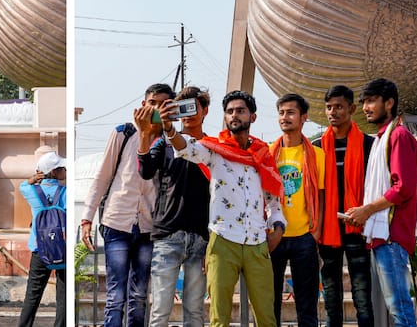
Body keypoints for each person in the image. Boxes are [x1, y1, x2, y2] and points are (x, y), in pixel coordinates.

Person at [140, 90, 284, 327]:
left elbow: (273, 199)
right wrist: (169, 128)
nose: (234, 115)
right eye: (229, 111)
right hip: (223, 242)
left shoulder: (263, 155)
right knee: (218, 318)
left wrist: (277, 228)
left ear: (253, 117)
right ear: (224, 118)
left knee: (266, 318)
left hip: (257, 242)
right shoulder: (215, 150)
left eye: (240, 110)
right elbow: (186, 147)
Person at [80, 83, 174, 327]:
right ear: (143, 105)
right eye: (153, 103)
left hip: (149, 226)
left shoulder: (170, 142)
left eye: (163, 104)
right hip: (117, 220)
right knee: (116, 295)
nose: (156, 109)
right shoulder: (124, 133)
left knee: (140, 295)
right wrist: (87, 217)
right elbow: (103, 175)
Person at [346, 78, 417, 327]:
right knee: (397, 309)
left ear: (389, 103)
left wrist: (367, 210)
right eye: (364, 102)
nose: (366, 107)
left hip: (392, 236)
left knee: (400, 310)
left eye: (371, 101)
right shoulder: (381, 139)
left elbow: (404, 188)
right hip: (383, 237)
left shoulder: (397, 136)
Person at [136, 86, 210, 327]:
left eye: (193, 107)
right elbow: (146, 171)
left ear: (205, 111)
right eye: (182, 108)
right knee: (160, 311)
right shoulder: (165, 144)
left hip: (201, 237)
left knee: (195, 311)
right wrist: (145, 135)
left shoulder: (213, 146)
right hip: (168, 234)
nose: (188, 114)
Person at [313, 85, 374, 327]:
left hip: (358, 227)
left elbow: (375, 186)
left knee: (362, 296)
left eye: (338, 107)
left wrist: (364, 213)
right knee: (330, 295)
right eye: (329, 107)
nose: (333, 112)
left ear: (352, 108)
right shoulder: (317, 147)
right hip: (328, 228)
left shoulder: (368, 145)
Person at [269, 93, 325, 327]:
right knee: (269, 303)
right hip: (274, 236)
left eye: (290, 112)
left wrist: (316, 233)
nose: (285, 117)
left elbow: (321, 195)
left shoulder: (316, 154)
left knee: (307, 304)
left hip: (304, 237)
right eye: (281, 113)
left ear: (304, 117)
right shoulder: (268, 153)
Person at [17, 151, 66, 327]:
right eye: (61, 168)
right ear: (53, 172)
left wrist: (33, 179)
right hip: (62, 251)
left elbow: (22, 186)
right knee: (64, 299)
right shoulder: (65, 192)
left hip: (39, 250)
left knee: (32, 296)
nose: (65, 170)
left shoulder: (33, 192)